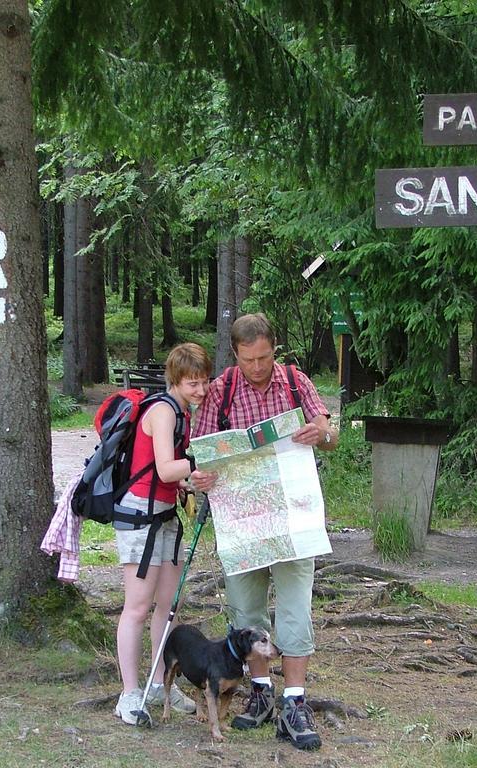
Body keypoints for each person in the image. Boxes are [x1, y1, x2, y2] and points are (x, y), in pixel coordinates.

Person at [193, 313, 337, 750]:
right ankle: (261, 695)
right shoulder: (220, 391)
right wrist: (201, 477)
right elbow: (201, 455)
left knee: (294, 611)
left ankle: (295, 701)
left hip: (293, 521)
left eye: (266, 357)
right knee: (246, 611)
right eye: (250, 359)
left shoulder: (295, 380)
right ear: (235, 354)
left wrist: (323, 433)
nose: (259, 367)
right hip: (243, 526)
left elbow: (330, 431)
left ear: (276, 348)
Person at [114, 342, 216, 725]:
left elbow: (176, 475)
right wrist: (200, 463)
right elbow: (163, 469)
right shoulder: (162, 411)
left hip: (166, 515)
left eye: (204, 382)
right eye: (193, 383)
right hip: (139, 516)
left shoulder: (184, 413)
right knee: (137, 607)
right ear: (175, 379)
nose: (200, 391)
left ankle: (159, 683)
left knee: (167, 605)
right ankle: (128, 694)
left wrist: (190, 482)